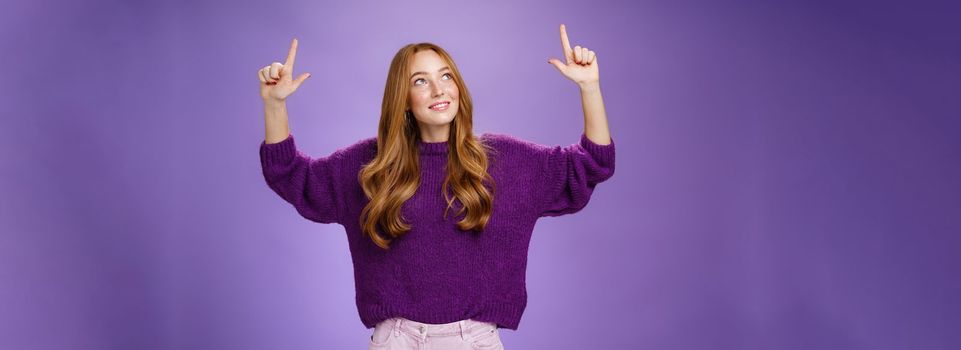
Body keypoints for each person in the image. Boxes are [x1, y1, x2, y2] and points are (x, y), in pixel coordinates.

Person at [256, 24, 614, 350]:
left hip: (474, 341)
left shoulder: (507, 161)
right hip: (395, 341)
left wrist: (590, 87)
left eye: (446, 76)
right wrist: (274, 104)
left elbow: (592, 164)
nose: (439, 89)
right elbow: (289, 174)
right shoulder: (370, 166)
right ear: (404, 100)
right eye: (420, 81)